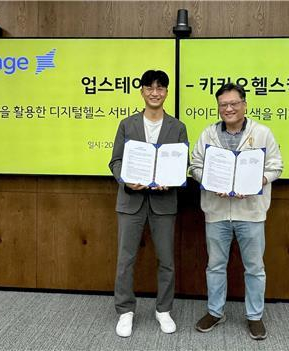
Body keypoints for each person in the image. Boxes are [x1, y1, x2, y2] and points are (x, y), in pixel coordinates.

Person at [189, 83, 283, 340]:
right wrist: (208, 180)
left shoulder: (262, 133)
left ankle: (254, 316)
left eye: (234, 103)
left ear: (244, 104)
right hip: (216, 211)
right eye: (223, 105)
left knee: (254, 268)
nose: (228, 108)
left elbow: (276, 166)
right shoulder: (208, 134)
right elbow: (195, 165)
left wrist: (257, 181)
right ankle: (215, 312)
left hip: (250, 213)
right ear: (219, 107)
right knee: (215, 266)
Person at [109, 70, 188, 338]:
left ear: (167, 92)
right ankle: (125, 311)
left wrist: (173, 179)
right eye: (150, 88)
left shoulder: (177, 127)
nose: (155, 93)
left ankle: (163, 309)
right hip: (131, 200)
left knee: (166, 260)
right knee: (125, 260)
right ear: (142, 91)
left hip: (164, 202)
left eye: (160, 88)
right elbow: (116, 161)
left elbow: (182, 162)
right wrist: (126, 179)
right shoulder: (127, 124)